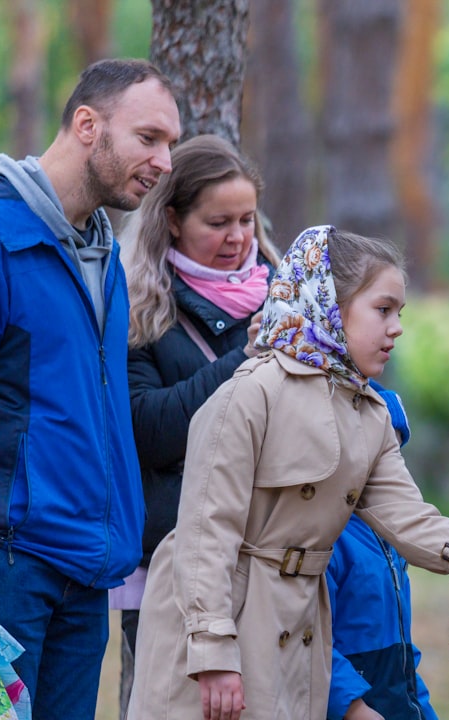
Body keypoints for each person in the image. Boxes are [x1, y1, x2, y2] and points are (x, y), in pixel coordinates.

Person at [127, 225, 449, 720]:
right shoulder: (250, 394)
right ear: (329, 302)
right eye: (383, 309)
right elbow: (205, 534)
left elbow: (410, 518)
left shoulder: (368, 411)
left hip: (298, 625)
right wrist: (213, 650)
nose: (397, 328)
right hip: (221, 623)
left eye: (400, 313)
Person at [0, 58, 181, 718]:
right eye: (148, 138)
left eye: (170, 143)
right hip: (1, 568)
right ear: (87, 125)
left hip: (85, 572)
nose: (165, 162)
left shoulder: (104, 257)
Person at [115, 134, 279, 660]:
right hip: (174, 564)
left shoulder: (288, 296)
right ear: (172, 220)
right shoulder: (136, 305)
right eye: (218, 223)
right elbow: (149, 431)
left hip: (274, 558)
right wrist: (243, 359)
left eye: (247, 219)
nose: (238, 238)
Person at [326, 381, 439, 720]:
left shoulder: (392, 535)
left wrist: (422, 709)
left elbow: (402, 650)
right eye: (378, 450)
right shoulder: (327, 537)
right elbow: (312, 641)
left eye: (395, 453)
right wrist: (352, 707)